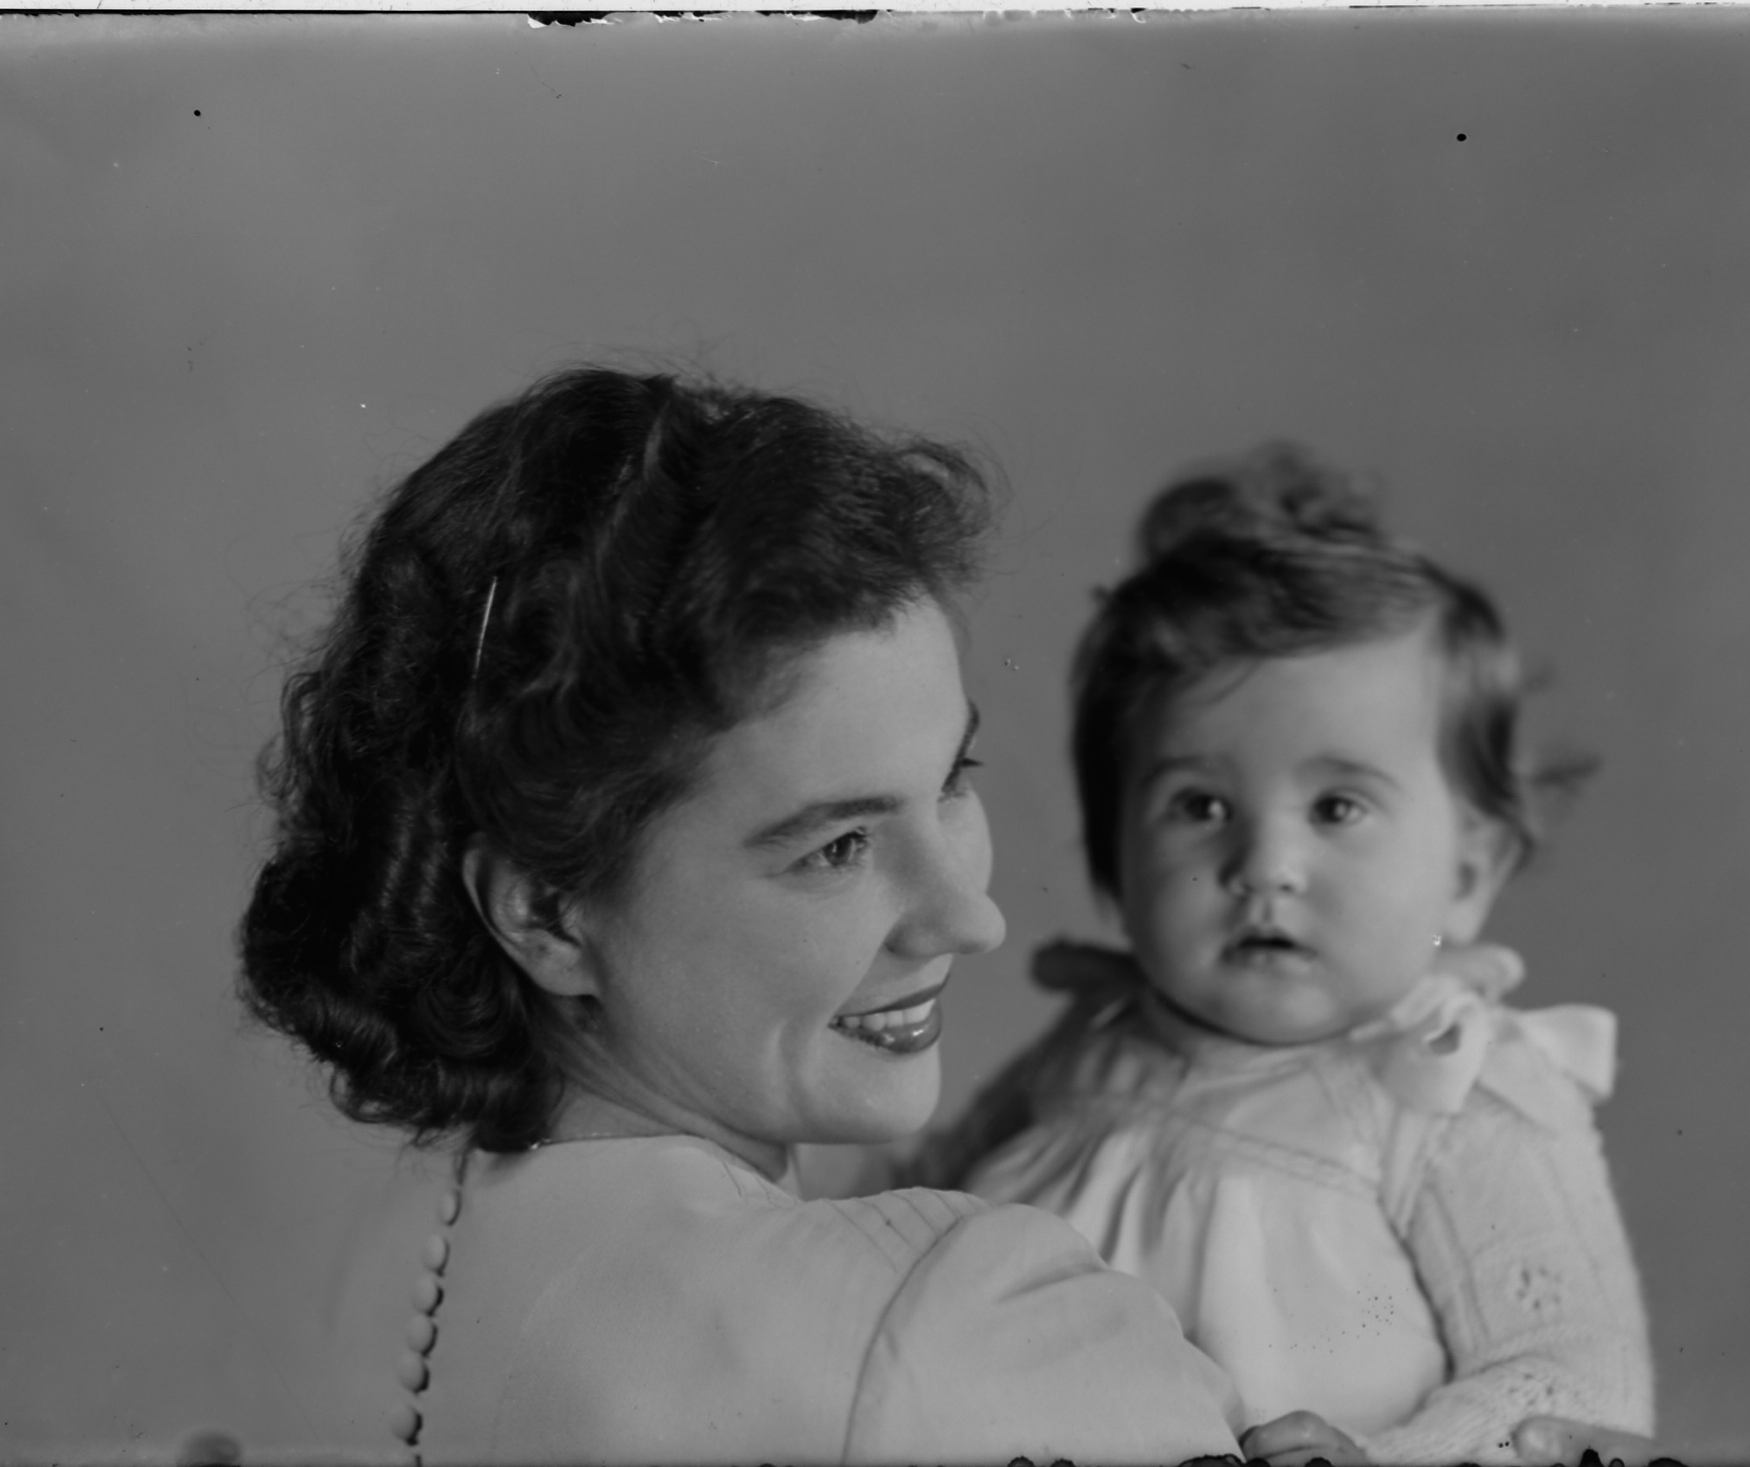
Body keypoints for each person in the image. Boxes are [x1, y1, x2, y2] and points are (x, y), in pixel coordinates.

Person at [239, 367, 1661, 1467]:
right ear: (547, 910)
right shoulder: (960, 1316)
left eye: (955, 781)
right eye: (839, 845)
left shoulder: (378, 1264)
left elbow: (1571, 1374)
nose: (973, 917)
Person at [920, 446, 1655, 1464]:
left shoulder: (1450, 1094)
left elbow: (1573, 1381)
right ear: (1115, 861)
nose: (1264, 866)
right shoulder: (1091, 1050)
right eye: (1199, 805)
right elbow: (920, 1200)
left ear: (1468, 872)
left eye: (1337, 807)